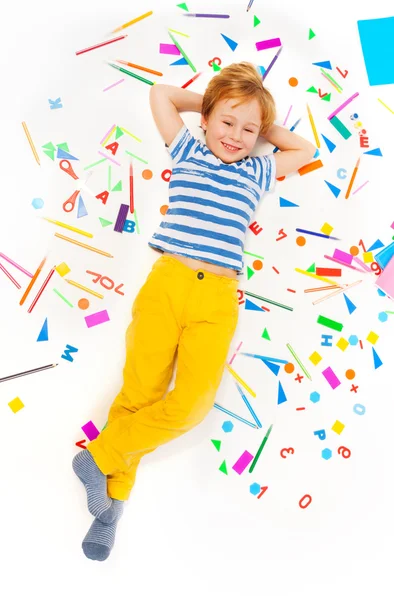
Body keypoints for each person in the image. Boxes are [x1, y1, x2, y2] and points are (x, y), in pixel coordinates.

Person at [72, 62, 315, 561]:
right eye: (227, 122)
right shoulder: (188, 148)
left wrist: (256, 116)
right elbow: (161, 94)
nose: (237, 135)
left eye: (249, 130)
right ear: (206, 119)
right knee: (139, 393)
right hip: (168, 282)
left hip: (217, 298)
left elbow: (303, 150)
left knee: (193, 403)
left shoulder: (258, 167)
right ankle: (111, 510)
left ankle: (98, 457)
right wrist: (219, 105)